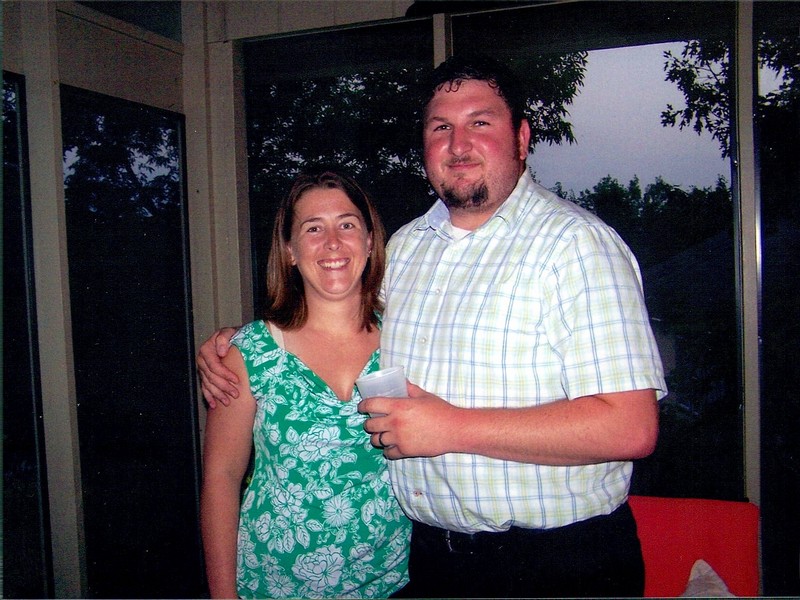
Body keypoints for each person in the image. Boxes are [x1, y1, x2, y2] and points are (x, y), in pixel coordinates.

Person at [199, 55, 666, 598]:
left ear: (521, 138)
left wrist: (453, 427)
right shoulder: (407, 249)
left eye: (480, 122)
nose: (458, 143)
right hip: (430, 563)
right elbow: (335, 310)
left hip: (556, 564)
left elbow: (631, 427)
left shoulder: (576, 244)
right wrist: (234, 342)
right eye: (441, 127)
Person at [199, 168, 410, 599]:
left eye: (347, 225)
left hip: (389, 585)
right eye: (313, 228)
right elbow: (221, 478)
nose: (332, 242)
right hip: (272, 586)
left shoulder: (408, 340)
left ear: (370, 241)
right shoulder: (250, 353)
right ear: (290, 250)